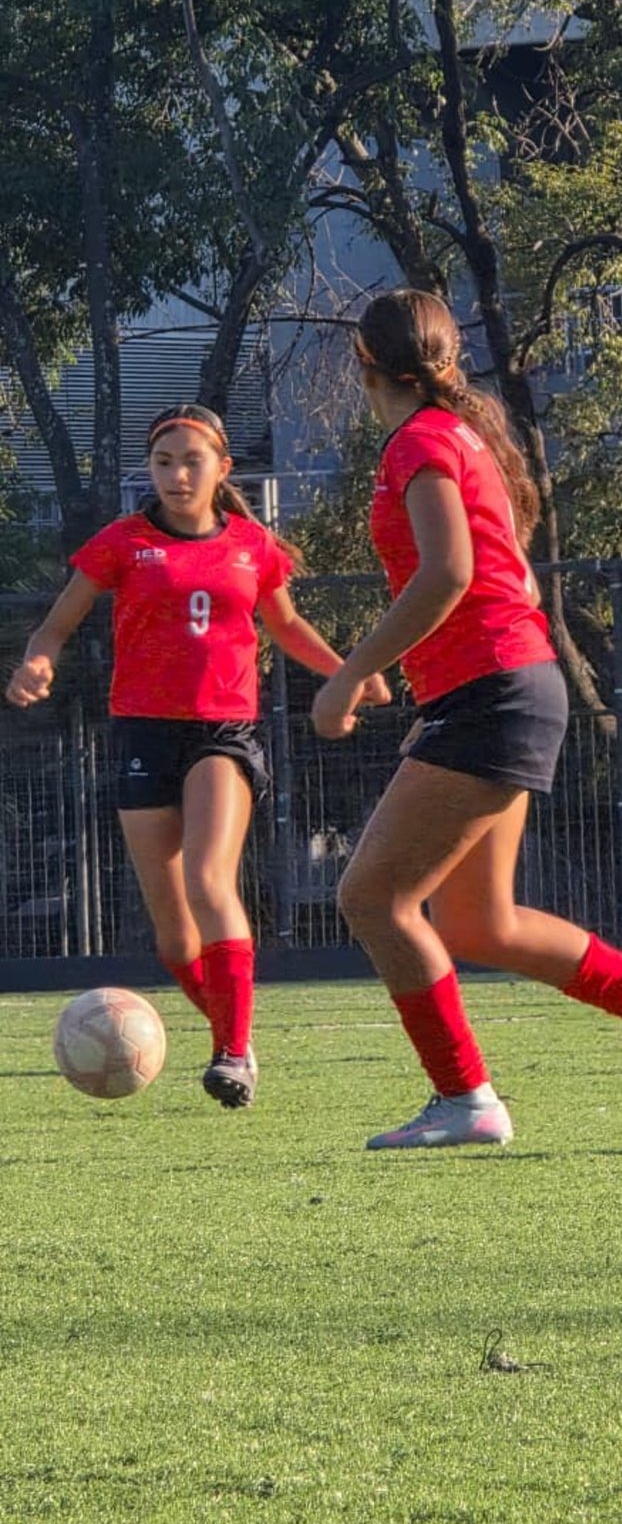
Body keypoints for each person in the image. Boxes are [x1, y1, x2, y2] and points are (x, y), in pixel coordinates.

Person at [311, 287, 622, 1148]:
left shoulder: (418, 443)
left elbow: (447, 574)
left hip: (492, 693)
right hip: (510, 684)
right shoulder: (460, 436)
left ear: (364, 365)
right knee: (476, 922)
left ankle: (466, 1099)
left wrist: (352, 672)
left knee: (372, 897)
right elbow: (515, 580)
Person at [5, 403, 378, 1107]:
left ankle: (232, 1052)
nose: (177, 475)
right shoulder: (122, 543)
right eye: (163, 462)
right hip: (143, 733)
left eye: (192, 461)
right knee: (175, 935)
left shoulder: (252, 545)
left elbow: (288, 624)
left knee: (211, 880)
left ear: (222, 469)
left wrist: (348, 671)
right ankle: (233, 1036)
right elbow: (54, 627)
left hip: (223, 734)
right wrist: (37, 663)